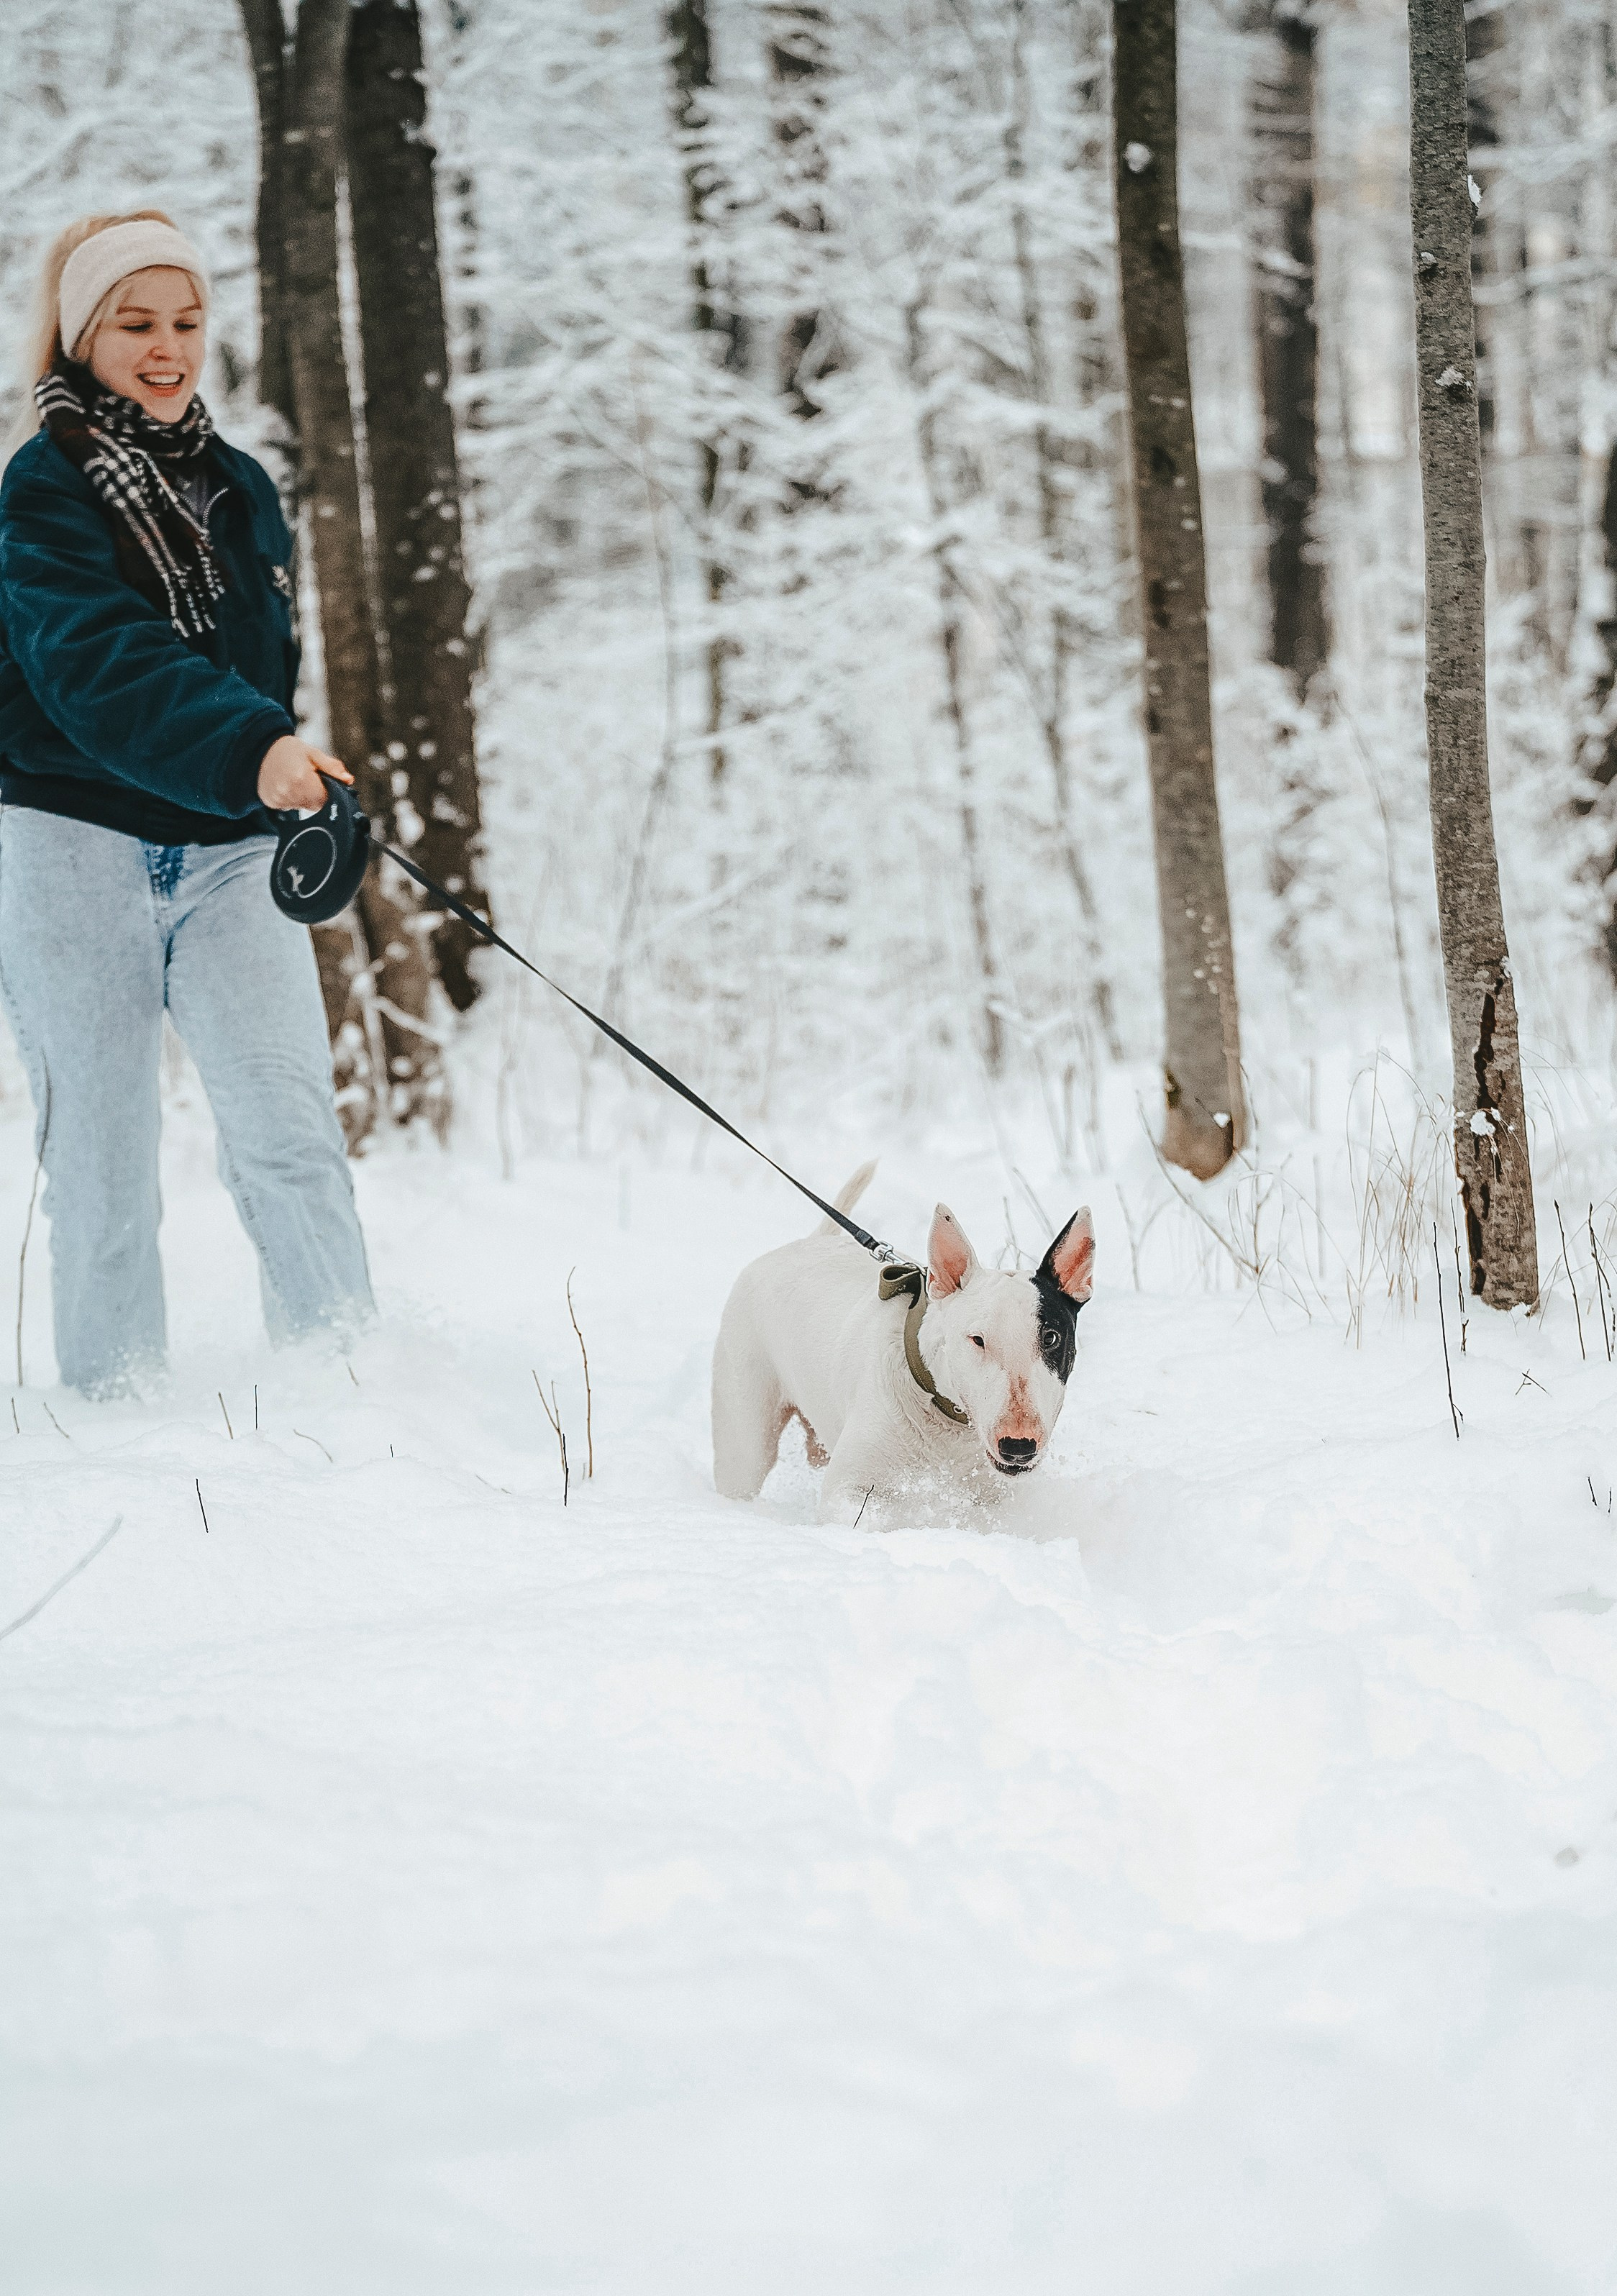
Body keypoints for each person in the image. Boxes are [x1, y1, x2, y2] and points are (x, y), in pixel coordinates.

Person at [0, 211, 373, 1395]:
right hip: (70, 839)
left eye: (187, 322)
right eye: (135, 323)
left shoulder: (240, 484)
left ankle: (356, 1397)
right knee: (104, 1160)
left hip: (226, 850)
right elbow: (93, 660)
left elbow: (263, 661)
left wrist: (276, 773)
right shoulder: (41, 486)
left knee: (290, 1137)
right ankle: (115, 1416)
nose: (167, 349)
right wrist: (252, 745)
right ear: (80, 332)